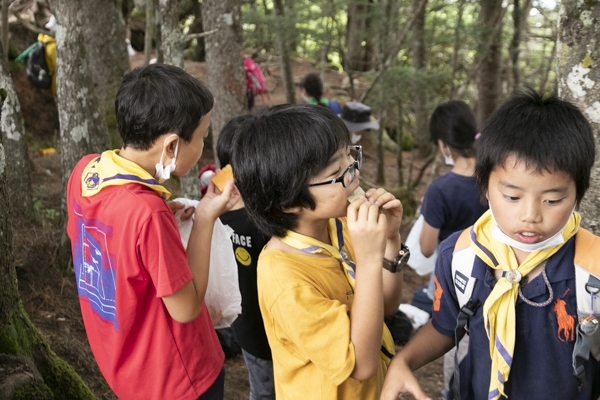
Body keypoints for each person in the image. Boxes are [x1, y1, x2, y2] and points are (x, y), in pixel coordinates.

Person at [380, 89, 600, 400]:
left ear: (580, 191)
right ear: (484, 185)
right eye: (512, 196)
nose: (530, 216)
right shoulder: (460, 255)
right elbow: (445, 326)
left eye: (553, 199)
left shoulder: (592, 267)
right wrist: (403, 361)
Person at [66, 64, 239, 400]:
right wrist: (204, 219)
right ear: (172, 146)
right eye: (202, 137)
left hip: (123, 362)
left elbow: (110, 234)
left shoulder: (85, 170)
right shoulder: (148, 213)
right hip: (178, 377)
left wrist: (158, 223)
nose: (203, 146)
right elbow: (186, 309)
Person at [232, 104, 406, 399]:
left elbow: (387, 306)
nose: (355, 173)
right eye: (338, 172)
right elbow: (360, 365)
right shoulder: (284, 279)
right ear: (290, 202)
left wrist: (390, 240)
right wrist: (367, 260)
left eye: (351, 156)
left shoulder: (342, 225)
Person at [214, 115, 275, 400]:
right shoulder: (267, 221)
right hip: (267, 329)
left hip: (246, 327)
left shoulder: (216, 210)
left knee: (261, 390)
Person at [411, 100, 488, 315]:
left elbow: (426, 249)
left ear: (443, 144)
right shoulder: (495, 178)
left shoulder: (440, 190)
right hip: (492, 272)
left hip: (452, 278)